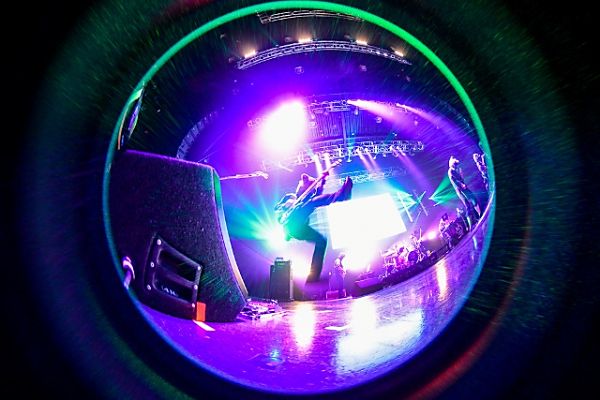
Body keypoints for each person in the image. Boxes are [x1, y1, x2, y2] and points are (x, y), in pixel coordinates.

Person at [274, 173, 353, 283]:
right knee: (311, 203)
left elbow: (319, 195)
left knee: (322, 241)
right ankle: (340, 196)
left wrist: (323, 181)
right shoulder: (291, 197)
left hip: (301, 229)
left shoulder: (308, 199)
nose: (312, 190)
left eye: (313, 189)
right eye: (310, 188)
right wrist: (284, 206)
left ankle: (313, 279)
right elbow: (276, 208)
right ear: (302, 186)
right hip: (291, 225)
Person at [448, 156, 480, 228]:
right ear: (452, 164)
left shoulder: (456, 169)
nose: (456, 165)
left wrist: (461, 174)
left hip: (464, 187)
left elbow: (461, 178)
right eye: (455, 164)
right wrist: (461, 184)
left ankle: (479, 215)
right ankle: (470, 226)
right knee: (467, 205)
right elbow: (454, 181)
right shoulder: (450, 171)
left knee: (473, 198)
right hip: (459, 190)